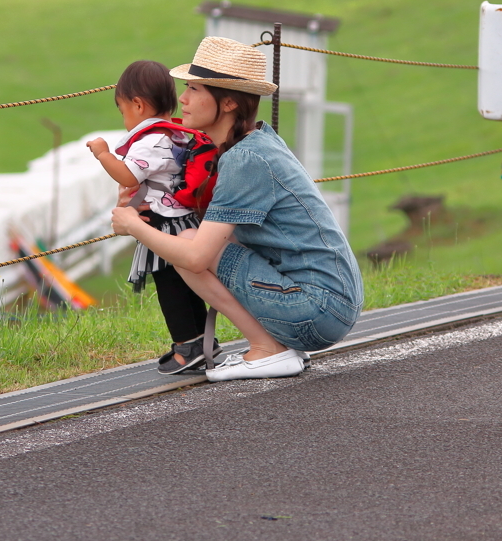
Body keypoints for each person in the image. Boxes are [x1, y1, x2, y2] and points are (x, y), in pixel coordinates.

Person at [110, 37, 363, 381]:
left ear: (227, 102)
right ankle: (272, 344)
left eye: (195, 89)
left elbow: (199, 258)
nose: (182, 99)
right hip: (328, 305)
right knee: (187, 236)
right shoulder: (251, 144)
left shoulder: (245, 160)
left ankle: (268, 349)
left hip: (317, 312)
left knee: (187, 246)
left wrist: (134, 225)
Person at [86, 60, 218, 374]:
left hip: (167, 226)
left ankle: (188, 347)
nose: (124, 119)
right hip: (182, 220)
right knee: (186, 285)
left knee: (172, 288)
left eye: (122, 111)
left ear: (138, 104)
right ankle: (202, 343)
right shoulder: (175, 134)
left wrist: (104, 153)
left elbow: (129, 176)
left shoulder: (151, 141)